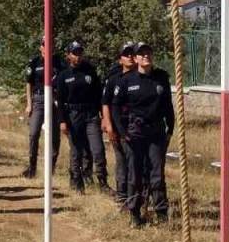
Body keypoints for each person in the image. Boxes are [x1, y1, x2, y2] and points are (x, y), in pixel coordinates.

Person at [111, 42, 175, 226]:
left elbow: (168, 106)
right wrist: (122, 132)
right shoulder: (126, 80)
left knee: (157, 174)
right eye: (142, 54)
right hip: (135, 134)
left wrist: (170, 129)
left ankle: (161, 214)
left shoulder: (161, 78)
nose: (145, 56)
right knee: (135, 174)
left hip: (156, 132)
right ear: (136, 58)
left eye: (148, 53)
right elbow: (115, 106)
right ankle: (135, 214)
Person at [52, 41, 106, 194]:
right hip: (73, 115)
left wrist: (102, 114)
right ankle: (76, 181)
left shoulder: (90, 71)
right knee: (76, 150)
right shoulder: (63, 75)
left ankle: (102, 182)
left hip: (91, 114)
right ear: (68, 55)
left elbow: (98, 94)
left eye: (80, 52)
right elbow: (60, 101)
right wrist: (62, 121)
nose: (78, 56)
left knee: (97, 150)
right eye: (75, 53)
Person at [101, 42, 137, 204]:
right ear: (120, 59)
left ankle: (136, 195)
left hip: (137, 127)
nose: (130, 57)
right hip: (118, 126)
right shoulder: (114, 79)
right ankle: (123, 195)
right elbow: (106, 103)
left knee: (136, 162)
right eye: (126, 54)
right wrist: (108, 124)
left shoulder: (143, 77)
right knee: (122, 161)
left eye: (132, 53)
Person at [21, 40, 60, 179]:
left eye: (49, 44)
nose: (46, 47)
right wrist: (29, 103)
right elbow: (28, 83)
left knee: (55, 136)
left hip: (54, 101)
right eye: (44, 45)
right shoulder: (35, 62)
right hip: (38, 100)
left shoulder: (58, 62)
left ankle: (51, 168)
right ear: (40, 47)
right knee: (33, 133)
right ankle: (32, 168)